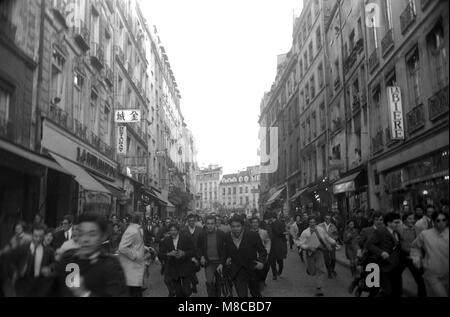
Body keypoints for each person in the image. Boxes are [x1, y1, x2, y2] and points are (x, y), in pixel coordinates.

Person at [54, 213, 129, 296]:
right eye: (81, 233)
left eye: (92, 234)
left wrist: (84, 294)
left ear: (103, 236)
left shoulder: (111, 265)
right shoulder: (67, 258)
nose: (85, 239)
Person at [218, 215, 266, 297]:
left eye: (238, 226)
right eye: (233, 226)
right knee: (242, 294)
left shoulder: (252, 235)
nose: (235, 229)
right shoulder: (227, 237)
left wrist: (261, 262)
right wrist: (221, 263)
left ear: (242, 226)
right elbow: (225, 252)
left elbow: (262, 251)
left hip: (252, 269)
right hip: (237, 271)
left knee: (255, 293)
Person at [4, 224, 55, 296]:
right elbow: (11, 261)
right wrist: (14, 272)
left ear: (44, 236)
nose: (38, 239)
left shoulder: (49, 251)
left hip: (39, 284)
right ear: (32, 235)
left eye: (40, 236)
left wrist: (49, 268)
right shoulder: (22, 248)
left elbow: (54, 264)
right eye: (35, 236)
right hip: (23, 283)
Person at [411, 211, 449, 297]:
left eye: (444, 220)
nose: (441, 223)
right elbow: (415, 247)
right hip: (432, 273)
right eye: (438, 220)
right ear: (433, 221)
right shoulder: (425, 234)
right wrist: (416, 258)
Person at [296, 216, 336, 296]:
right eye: (311, 222)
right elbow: (300, 243)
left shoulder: (320, 230)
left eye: (314, 222)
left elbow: (327, 237)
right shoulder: (305, 232)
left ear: (316, 223)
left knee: (321, 269)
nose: (312, 224)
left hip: (319, 252)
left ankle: (319, 288)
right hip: (310, 253)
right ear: (308, 223)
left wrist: (333, 242)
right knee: (312, 271)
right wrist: (307, 247)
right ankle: (310, 269)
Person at [366, 212, 402, 297]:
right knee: (387, 291)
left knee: (397, 291)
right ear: (389, 223)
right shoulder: (380, 232)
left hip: (396, 267)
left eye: (398, 222)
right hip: (384, 267)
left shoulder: (397, 233)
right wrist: (381, 252)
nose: (398, 224)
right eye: (396, 222)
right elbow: (369, 244)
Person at [158, 223, 196, 297]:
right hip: (173, 268)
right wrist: (169, 254)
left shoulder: (186, 238)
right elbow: (160, 254)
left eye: (174, 230)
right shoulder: (166, 240)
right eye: (171, 230)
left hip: (185, 267)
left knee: (186, 291)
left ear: (178, 230)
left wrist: (184, 253)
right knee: (178, 292)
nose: (173, 232)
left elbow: (193, 251)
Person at [397, 212, 427, 297]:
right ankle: (398, 293)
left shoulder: (416, 229)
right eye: (410, 218)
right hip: (402, 256)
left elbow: (421, 243)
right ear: (405, 219)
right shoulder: (399, 228)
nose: (412, 220)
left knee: (419, 279)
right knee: (396, 276)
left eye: (413, 218)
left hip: (413, 256)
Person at [118, 212, 146, 297]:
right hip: (132, 266)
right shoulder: (132, 230)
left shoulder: (137, 229)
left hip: (136, 266)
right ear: (138, 219)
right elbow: (122, 247)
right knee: (134, 291)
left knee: (135, 290)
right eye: (141, 217)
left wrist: (146, 248)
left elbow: (136, 245)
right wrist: (134, 256)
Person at [197, 216, 226, 297]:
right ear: (205, 224)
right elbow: (198, 247)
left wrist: (222, 263)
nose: (210, 226)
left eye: (212, 223)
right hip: (209, 262)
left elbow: (225, 250)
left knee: (218, 283)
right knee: (209, 282)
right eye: (208, 223)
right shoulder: (202, 234)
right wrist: (201, 256)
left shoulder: (221, 234)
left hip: (219, 263)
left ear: (215, 224)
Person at [181, 213, 202, 294]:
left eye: (193, 221)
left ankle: (194, 282)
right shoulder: (183, 230)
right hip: (188, 254)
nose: (191, 222)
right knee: (189, 269)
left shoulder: (200, 229)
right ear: (187, 222)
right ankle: (193, 286)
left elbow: (203, 242)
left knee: (195, 269)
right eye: (190, 221)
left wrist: (201, 255)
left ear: (195, 221)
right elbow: (181, 242)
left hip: (197, 254)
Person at [249, 217, 271, 291]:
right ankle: (256, 284)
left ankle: (262, 281)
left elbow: (267, 241)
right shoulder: (248, 233)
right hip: (252, 255)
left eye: (256, 222)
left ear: (258, 223)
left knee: (266, 268)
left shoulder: (264, 232)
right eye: (253, 222)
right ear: (251, 224)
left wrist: (267, 251)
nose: (255, 224)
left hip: (262, 254)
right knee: (255, 271)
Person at [318, 214, 339, 279]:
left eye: (329, 218)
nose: (328, 220)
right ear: (324, 219)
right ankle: (329, 272)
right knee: (327, 260)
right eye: (326, 218)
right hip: (324, 245)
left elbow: (336, 235)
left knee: (333, 259)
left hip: (331, 245)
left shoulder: (333, 226)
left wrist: (333, 240)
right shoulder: (320, 226)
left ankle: (332, 269)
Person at [267, 212, 287, 280]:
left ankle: (275, 273)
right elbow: (283, 232)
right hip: (279, 244)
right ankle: (278, 272)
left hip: (275, 244)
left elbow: (278, 233)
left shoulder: (273, 224)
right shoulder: (281, 223)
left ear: (272, 218)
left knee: (274, 260)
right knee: (278, 259)